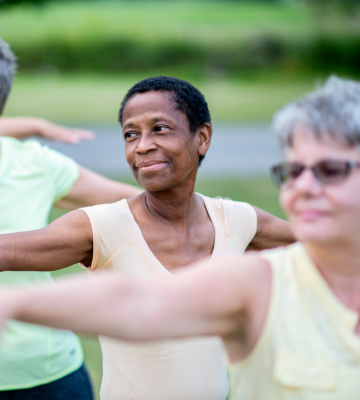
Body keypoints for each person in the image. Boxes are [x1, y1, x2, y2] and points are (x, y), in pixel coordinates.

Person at [1, 76, 360, 400]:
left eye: (160, 129)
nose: (142, 146)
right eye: (130, 134)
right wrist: (15, 303)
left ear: (201, 138)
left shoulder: (236, 219)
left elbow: (319, 237)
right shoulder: (102, 225)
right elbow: (136, 302)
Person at [0, 38, 142, 399]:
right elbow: (139, 204)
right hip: (48, 369)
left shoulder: (37, 162)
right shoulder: (33, 162)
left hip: (45, 374)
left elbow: (134, 203)